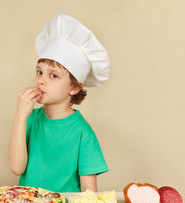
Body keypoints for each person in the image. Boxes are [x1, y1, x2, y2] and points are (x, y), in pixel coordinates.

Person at [9, 12, 110, 192]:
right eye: (39, 72)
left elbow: (89, 194)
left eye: (53, 75)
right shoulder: (29, 119)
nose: (41, 80)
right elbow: (17, 168)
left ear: (74, 88)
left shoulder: (83, 132)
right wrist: (20, 116)